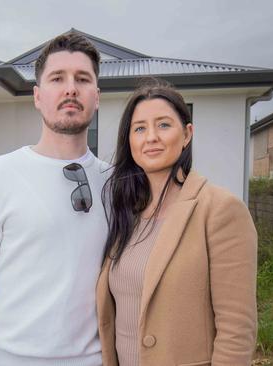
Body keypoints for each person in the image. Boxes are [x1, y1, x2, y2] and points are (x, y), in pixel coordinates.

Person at [0, 32, 109, 366]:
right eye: (57, 78)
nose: (70, 88)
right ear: (38, 96)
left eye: (82, 79)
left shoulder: (116, 182)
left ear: (96, 97)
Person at [96, 80, 258, 365]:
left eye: (164, 125)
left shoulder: (220, 209)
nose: (151, 137)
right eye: (140, 128)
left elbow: (236, 329)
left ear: (187, 134)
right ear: (130, 141)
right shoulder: (126, 213)